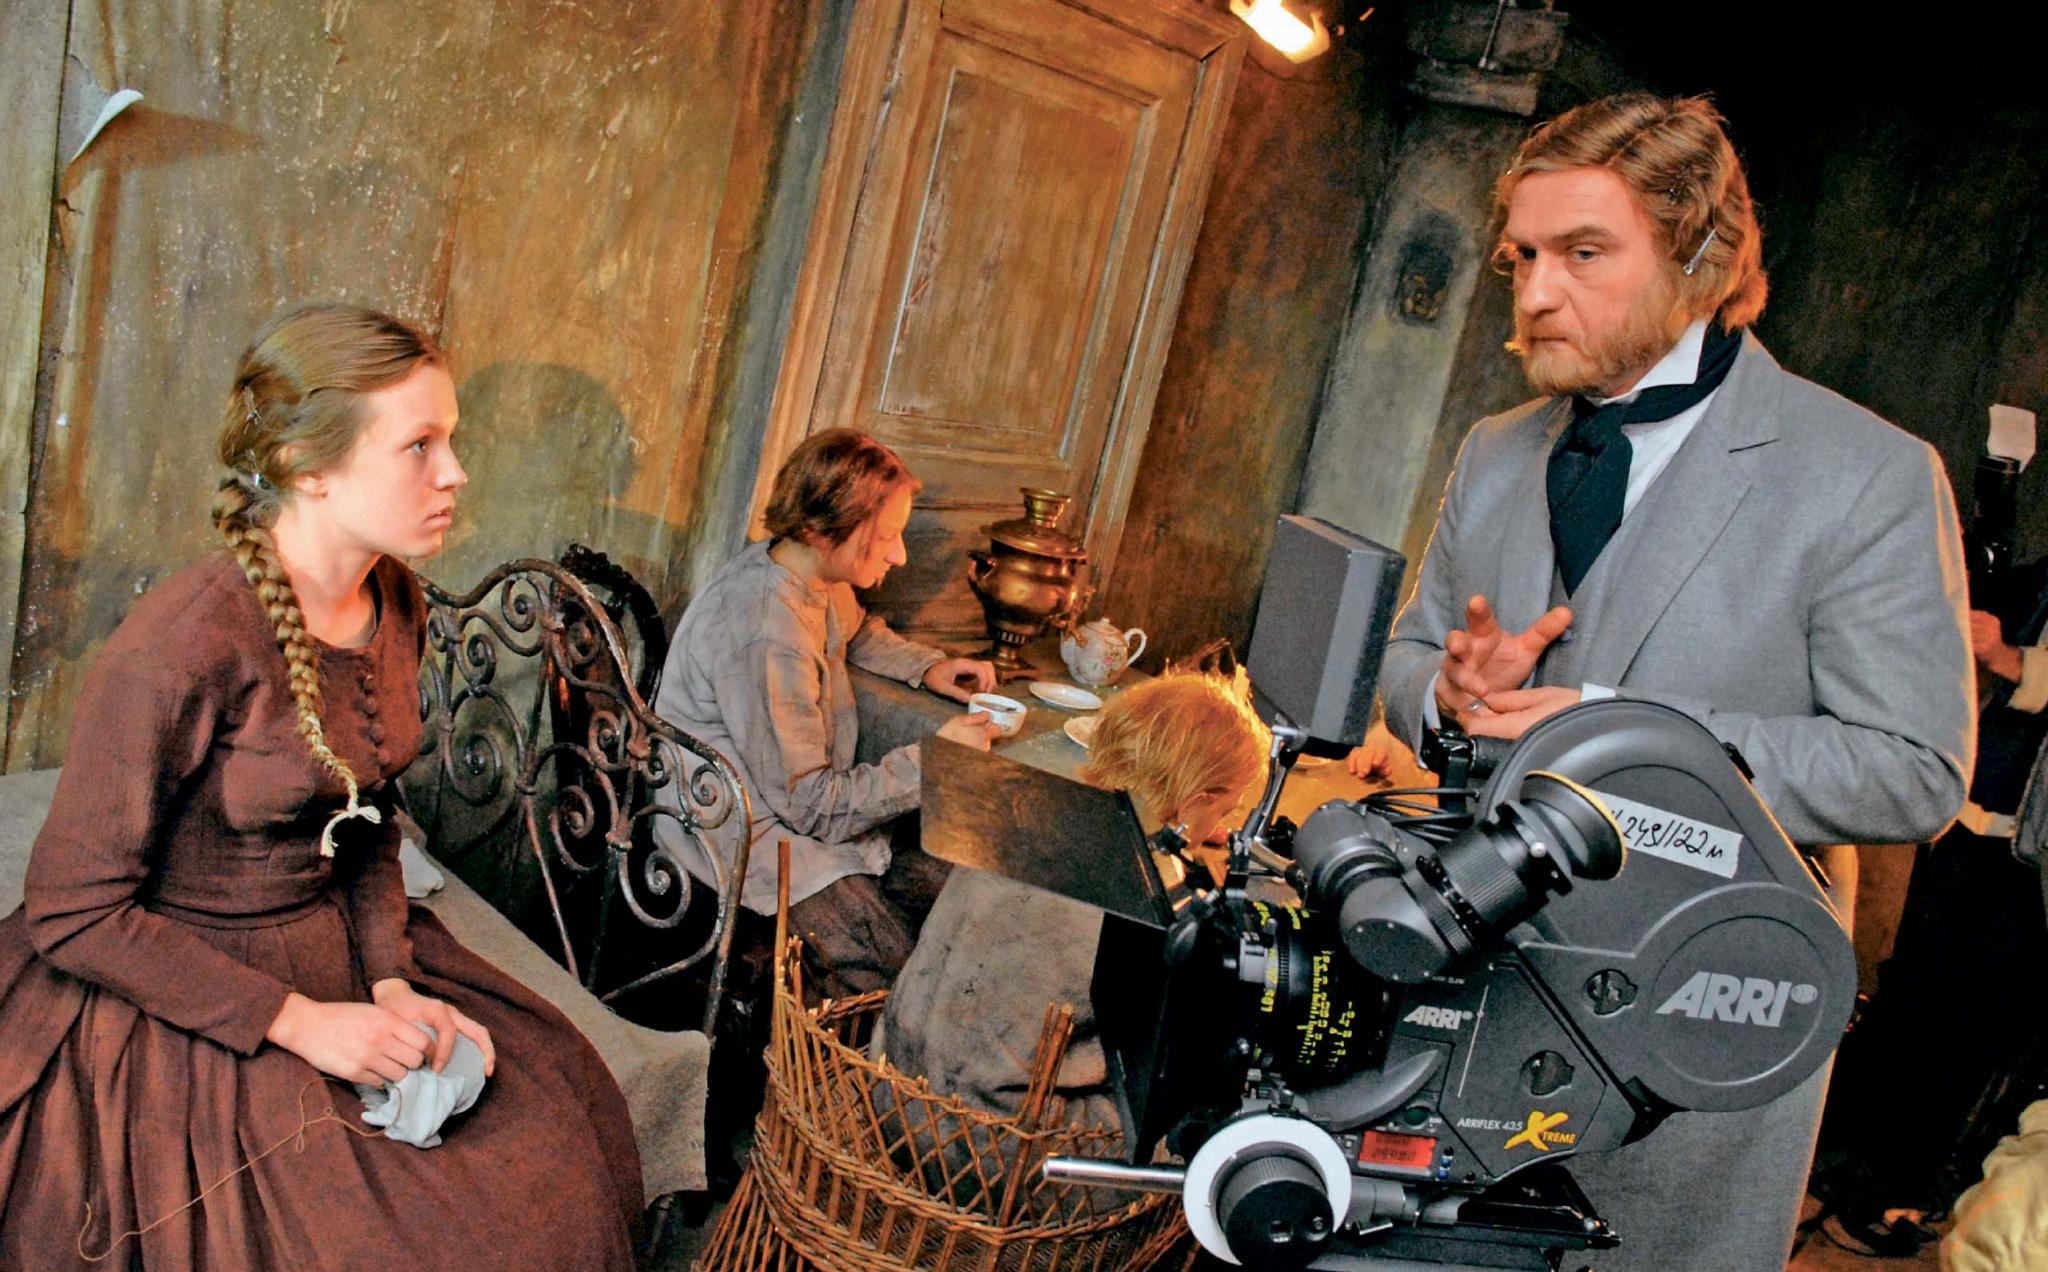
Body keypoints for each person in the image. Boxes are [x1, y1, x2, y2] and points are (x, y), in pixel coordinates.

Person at [1375, 94, 1974, 1270]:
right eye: (1520, 258)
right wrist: (1444, 698)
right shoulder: (1493, 451)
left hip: (1699, 1027)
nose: (1534, 293)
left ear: (1700, 260)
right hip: (1468, 993)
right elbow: (1406, 657)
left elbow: (1916, 772)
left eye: (1581, 254)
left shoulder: (1866, 475)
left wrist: (1619, 731)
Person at [0, 303, 641, 1269]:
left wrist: (390, 977)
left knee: (551, 1140)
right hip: (186, 973)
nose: (455, 473)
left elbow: (371, 817)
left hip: (336, 939)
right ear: (308, 466)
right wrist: (300, 1025)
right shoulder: (180, 643)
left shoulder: (396, 596)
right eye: (419, 446)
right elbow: (71, 910)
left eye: (451, 440)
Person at [653, 429, 1000, 1000]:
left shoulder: (810, 571)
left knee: (962, 898)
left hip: (794, 812)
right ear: (821, 530)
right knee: (900, 976)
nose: (900, 555)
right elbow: (814, 807)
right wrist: (936, 762)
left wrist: (928, 667)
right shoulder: (768, 627)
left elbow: (855, 631)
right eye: (885, 537)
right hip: (739, 837)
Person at [878, 672, 1271, 1131]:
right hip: (976, 1138)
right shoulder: (1146, 895)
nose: (1223, 826)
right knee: (1200, 1115)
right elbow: (1148, 1061)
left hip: (890, 1085)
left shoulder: (1030, 804)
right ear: (1191, 802)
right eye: (1223, 811)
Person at [1817, 558, 2048, 1254]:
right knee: (1913, 994)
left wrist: (2012, 660)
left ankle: (1900, 1187)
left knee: (1976, 1026)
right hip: (1971, 827)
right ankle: (1842, 1160)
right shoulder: (2039, 577)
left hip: (2027, 859)